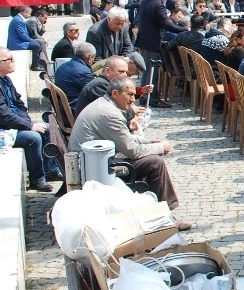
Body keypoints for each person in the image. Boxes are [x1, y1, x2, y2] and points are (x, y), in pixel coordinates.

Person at [70, 76, 192, 230]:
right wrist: (160, 148)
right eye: (130, 95)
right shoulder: (109, 114)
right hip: (94, 168)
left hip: (94, 160)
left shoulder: (105, 105)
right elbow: (132, 151)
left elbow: (125, 140)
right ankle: (165, 217)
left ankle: (161, 212)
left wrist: (151, 142)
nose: (133, 100)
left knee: (152, 158)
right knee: (155, 163)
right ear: (115, 93)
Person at [0, 46, 61, 192]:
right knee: (32, 138)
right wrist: (28, 126)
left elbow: (19, 103)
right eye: (9, 59)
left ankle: (50, 170)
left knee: (47, 128)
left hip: (5, 125)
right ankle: (38, 180)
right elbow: (2, 115)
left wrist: (27, 121)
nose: (13, 61)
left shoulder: (4, 79)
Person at [135, 0, 185, 108]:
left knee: (147, 71)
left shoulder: (145, 1)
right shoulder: (158, 5)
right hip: (152, 42)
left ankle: (145, 96)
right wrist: (184, 30)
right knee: (152, 72)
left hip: (145, 40)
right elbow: (166, 24)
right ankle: (153, 99)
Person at [54, 42, 96, 107]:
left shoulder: (63, 66)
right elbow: (94, 94)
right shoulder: (84, 72)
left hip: (64, 106)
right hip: (75, 109)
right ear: (90, 57)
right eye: (93, 58)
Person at [8, 6, 47, 71]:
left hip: (18, 41)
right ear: (24, 12)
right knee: (36, 45)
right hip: (17, 44)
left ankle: (42, 61)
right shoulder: (18, 21)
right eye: (29, 13)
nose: (30, 15)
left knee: (39, 42)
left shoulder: (18, 19)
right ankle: (35, 66)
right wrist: (34, 41)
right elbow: (24, 36)